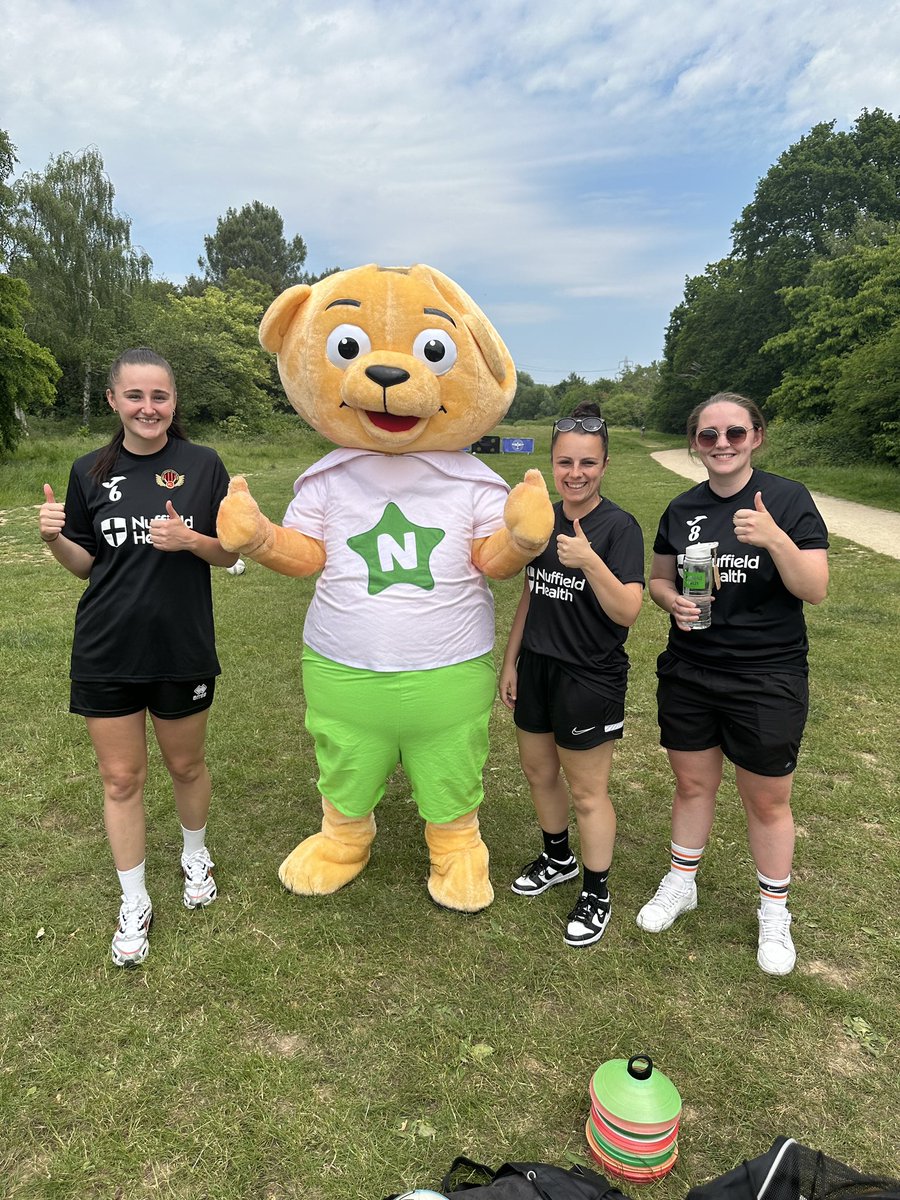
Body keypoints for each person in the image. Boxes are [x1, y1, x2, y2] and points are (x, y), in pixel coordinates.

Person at [38, 347, 238, 967]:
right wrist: (54, 539)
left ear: (174, 401)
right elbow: (86, 565)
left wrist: (190, 539)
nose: (148, 408)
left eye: (159, 396)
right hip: (106, 649)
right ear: (113, 401)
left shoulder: (203, 465)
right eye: (135, 396)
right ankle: (134, 898)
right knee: (121, 779)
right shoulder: (89, 471)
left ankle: (195, 855)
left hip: (181, 647)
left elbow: (231, 553)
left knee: (186, 766)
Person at [637, 392, 829, 975]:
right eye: (708, 435)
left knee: (767, 800)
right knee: (692, 783)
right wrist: (672, 601)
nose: (722, 444)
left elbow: (814, 588)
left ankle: (774, 912)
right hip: (691, 669)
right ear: (696, 444)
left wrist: (774, 538)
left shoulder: (787, 499)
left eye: (735, 433)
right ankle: (682, 883)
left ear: (756, 437)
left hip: (767, 673)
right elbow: (659, 579)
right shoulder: (683, 508)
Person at [500, 404, 644, 946]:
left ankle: (596, 891)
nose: (575, 473)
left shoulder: (619, 527)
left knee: (588, 792)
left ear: (605, 465)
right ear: (552, 464)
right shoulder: (542, 518)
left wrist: (589, 560)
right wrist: (512, 659)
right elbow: (531, 592)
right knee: (538, 772)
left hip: (589, 675)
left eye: (587, 463)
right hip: (537, 666)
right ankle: (558, 858)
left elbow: (628, 610)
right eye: (565, 462)